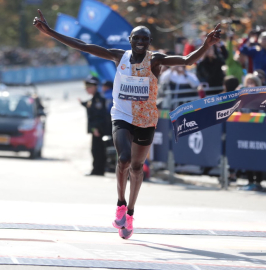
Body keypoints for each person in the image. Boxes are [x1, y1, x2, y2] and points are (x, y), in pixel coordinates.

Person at [33, 10, 221, 239]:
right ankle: (120, 204)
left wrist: (206, 44)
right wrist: (50, 32)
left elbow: (187, 61)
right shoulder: (118, 56)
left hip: (146, 119)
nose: (140, 42)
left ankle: (130, 213)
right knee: (124, 159)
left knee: (136, 168)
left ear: (149, 42)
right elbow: (82, 45)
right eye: (136, 38)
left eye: (145, 39)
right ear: (130, 41)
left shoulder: (156, 60)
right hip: (121, 115)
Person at [80, 75, 107, 177]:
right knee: (95, 150)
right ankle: (97, 169)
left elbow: (98, 115)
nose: (87, 89)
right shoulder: (94, 99)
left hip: (98, 129)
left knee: (98, 150)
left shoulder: (98, 100)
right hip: (96, 129)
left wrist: (95, 128)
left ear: (94, 87)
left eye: (89, 87)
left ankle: (98, 170)